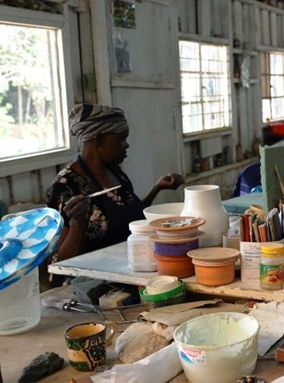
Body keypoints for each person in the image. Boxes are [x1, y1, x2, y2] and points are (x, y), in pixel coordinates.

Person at [46, 104, 184, 264]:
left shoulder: (114, 171)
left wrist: (157, 188)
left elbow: (133, 217)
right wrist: (78, 223)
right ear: (98, 140)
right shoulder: (64, 186)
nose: (126, 145)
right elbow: (60, 260)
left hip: (128, 263)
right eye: (121, 138)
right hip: (94, 273)